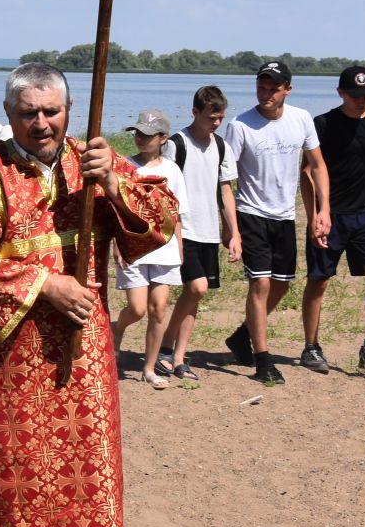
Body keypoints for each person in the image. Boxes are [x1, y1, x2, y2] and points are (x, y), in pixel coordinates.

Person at [0, 62, 177, 527]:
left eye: (52, 111)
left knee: (86, 474)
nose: (42, 124)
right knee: (12, 474)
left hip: (84, 352)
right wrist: (44, 283)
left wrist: (117, 186)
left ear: (68, 110)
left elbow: (163, 225)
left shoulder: (92, 162)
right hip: (8, 358)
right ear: (9, 114)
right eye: (29, 113)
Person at [222, 61, 328, 385]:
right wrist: (231, 229)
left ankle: (243, 335)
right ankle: (263, 362)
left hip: (284, 215)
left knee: (281, 284)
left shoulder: (302, 119)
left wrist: (323, 211)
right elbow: (225, 178)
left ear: (287, 90)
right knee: (261, 283)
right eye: (261, 87)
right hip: (251, 212)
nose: (266, 94)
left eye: (273, 89)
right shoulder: (241, 125)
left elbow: (318, 165)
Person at [155, 85, 238, 381]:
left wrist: (233, 232)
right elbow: (165, 191)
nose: (215, 123)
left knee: (195, 295)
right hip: (183, 229)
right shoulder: (178, 143)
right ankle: (165, 347)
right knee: (197, 287)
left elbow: (225, 191)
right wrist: (171, 232)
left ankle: (178, 357)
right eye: (210, 118)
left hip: (209, 231)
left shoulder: (222, 146)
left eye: (220, 118)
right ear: (195, 113)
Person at [299, 65, 365, 374]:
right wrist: (315, 215)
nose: (362, 100)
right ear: (341, 93)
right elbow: (306, 172)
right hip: (330, 217)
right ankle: (311, 346)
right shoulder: (323, 125)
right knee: (319, 281)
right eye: (355, 95)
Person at [111, 110, 188, 389]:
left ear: (163, 138)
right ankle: (116, 328)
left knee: (158, 310)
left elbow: (176, 212)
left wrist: (179, 245)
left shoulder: (171, 170)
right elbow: (116, 211)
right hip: (133, 247)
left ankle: (149, 368)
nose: (141, 139)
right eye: (138, 133)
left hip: (164, 248)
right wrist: (117, 244)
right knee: (138, 308)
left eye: (148, 134)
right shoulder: (125, 167)